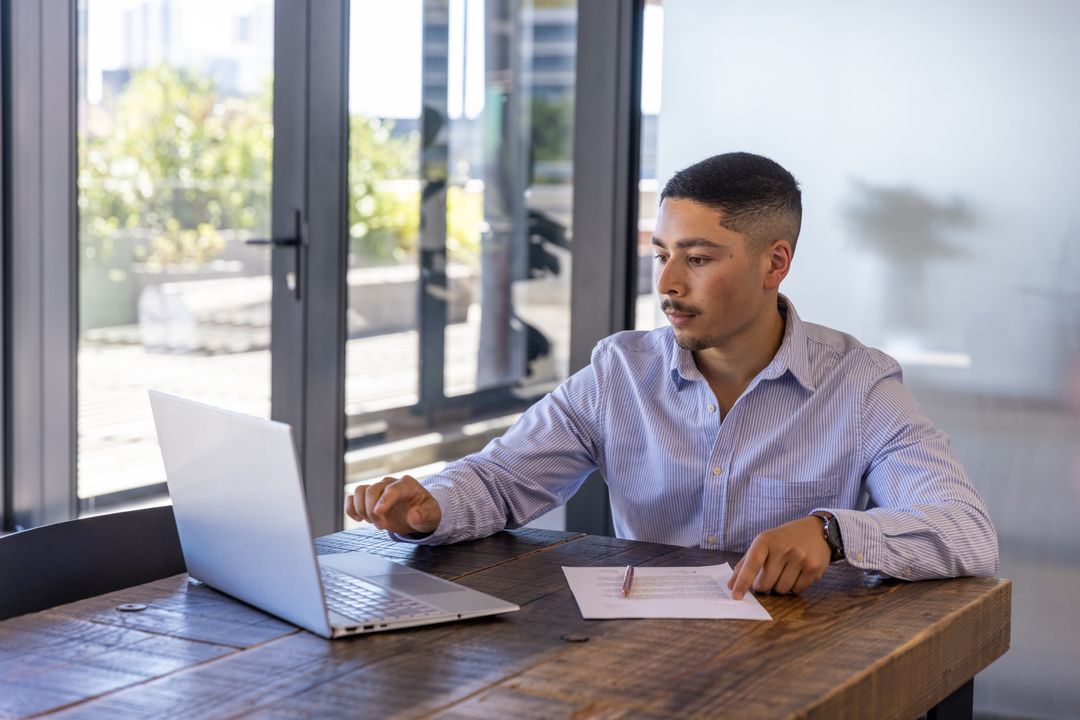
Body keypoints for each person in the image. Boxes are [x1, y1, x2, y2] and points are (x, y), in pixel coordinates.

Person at [346, 152, 998, 600]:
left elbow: (965, 531)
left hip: (804, 660)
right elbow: (500, 480)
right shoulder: (620, 373)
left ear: (775, 264)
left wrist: (831, 532)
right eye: (660, 255)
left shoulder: (858, 386)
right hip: (640, 654)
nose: (667, 284)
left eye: (698, 258)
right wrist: (430, 507)